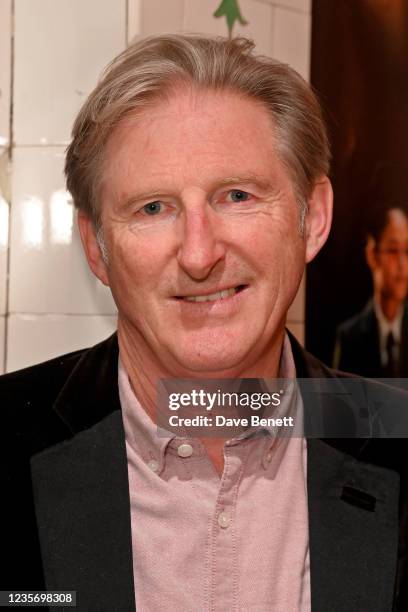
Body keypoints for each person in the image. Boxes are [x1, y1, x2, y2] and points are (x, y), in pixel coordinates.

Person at [1, 34, 408, 611]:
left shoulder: (396, 436)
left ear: (312, 217)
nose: (199, 254)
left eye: (237, 196)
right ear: (96, 247)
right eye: (152, 208)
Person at [334, 203, 408, 377]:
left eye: (407, 250)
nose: (403, 265)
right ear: (372, 255)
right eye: (393, 250)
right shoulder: (350, 337)